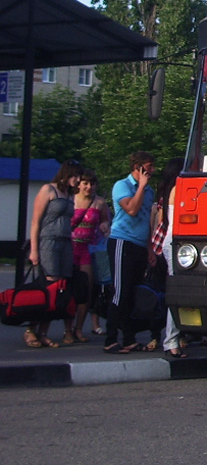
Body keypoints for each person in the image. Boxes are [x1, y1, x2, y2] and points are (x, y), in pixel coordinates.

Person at [24, 159, 84, 348]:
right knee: (48, 286)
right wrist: (34, 250)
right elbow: (35, 222)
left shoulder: (69, 195)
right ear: (66, 175)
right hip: (48, 241)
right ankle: (31, 330)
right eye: (75, 176)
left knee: (61, 287)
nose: (78, 180)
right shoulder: (48, 190)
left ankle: (44, 331)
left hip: (65, 242)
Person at [104, 151, 156, 354]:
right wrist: (141, 186)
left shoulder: (149, 191)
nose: (152, 171)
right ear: (138, 168)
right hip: (122, 242)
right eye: (149, 167)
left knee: (133, 293)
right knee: (120, 291)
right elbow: (132, 210)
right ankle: (110, 338)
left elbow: (146, 220)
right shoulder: (122, 186)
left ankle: (129, 338)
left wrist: (150, 248)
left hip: (139, 245)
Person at [69, 169, 110, 342]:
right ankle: (67, 329)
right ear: (79, 184)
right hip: (70, 247)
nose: (88, 187)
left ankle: (79, 328)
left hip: (88, 248)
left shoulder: (99, 203)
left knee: (85, 288)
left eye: (92, 184)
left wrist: (104, 225)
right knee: (68, 289)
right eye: (85, 183)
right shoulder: (70, 200)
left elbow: (106, 220)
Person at [155, 158, 189, 358]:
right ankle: (171, 340)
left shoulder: (170, 190)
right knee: (178, 292)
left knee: (179, 292)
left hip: (173, 242)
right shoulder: (180, 189)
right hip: (176, 243)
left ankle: (175, 338)